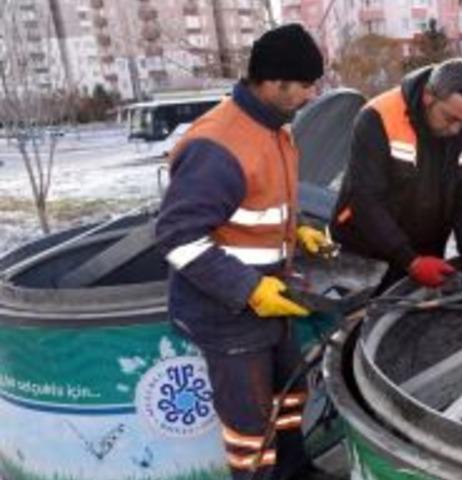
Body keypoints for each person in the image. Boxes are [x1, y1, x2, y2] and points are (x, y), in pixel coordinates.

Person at [155, 24, 335, 480]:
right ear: (274, 83)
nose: (312, 95)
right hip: (226, 310)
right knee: (250, 427)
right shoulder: (218, 145)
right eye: (306, 86)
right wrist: (250, 291)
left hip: (271, 296)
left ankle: (296, 471)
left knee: (289, 396)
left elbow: (257, 206)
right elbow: (177, 236)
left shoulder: (275, 128)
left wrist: (299, 233)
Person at [330, 58, 462, 292]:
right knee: (363, 323)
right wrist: (409, 259)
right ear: (428, 96)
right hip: (365, 251)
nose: (456, 130)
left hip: (425, 253)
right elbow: (366, 200)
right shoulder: (378, 117)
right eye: (450, 118)